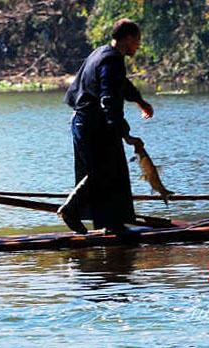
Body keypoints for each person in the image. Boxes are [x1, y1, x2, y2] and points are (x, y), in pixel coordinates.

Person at [58, 19, 154, 235]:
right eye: (137, 41)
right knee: (104, 172)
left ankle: (110, 225)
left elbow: (121, 84)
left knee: (109, 172)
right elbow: (108, 100)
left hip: (84, 122)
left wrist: (139, 101)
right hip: (93, 125)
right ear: (127, 39)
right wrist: (126, 135)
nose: (138, 46)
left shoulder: (102, 53)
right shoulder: (112, 61)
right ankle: (71, 209)